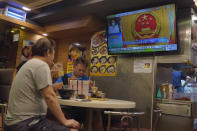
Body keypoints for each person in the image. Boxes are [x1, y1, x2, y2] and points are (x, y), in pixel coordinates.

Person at [5, 38, 80, 131]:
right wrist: (65, 121)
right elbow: (50, 96)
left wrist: (51, 79)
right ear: (48, 52)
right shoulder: (41, 65)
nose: (53, 58)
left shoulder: (30, 63)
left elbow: (39, 91)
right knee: (72, 129)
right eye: (53, 54)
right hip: (25, 123)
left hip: (16, 122)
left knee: (54, 118)